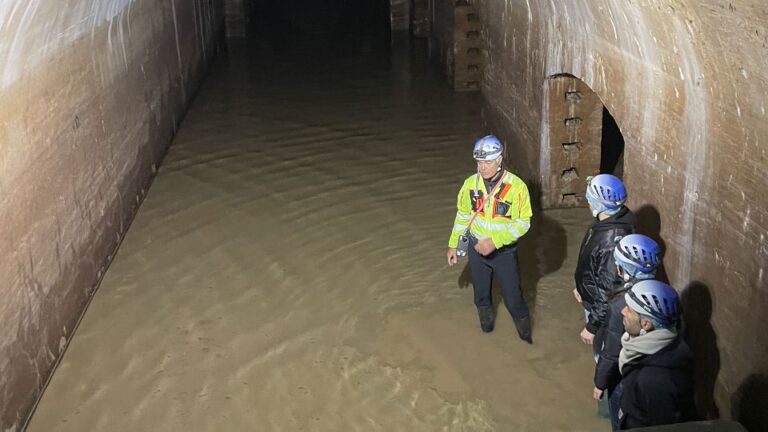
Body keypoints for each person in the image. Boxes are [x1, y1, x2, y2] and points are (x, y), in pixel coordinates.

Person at [446, 135, 533, 343]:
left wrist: (495, 241)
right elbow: (463, 217)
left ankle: (526, 338)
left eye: (487, 162)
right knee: (481, 296)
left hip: (504, 253)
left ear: (500, 160)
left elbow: (523, 223)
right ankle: (487, 333)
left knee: (514, 300)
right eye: (478, 162)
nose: (482, 167)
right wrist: (454, 244)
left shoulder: (517, 187)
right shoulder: (470, 185)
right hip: (476, 250)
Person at [593, 234, 662, 430]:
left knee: (620, 420)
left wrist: (600, 383)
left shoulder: (623, 306)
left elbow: (612, 352)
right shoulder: (659, 293)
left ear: (624, 268)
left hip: (624, 376)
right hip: (648, 376)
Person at [616, 280, 696, 429]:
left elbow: (664, 427)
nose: (623, 311)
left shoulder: (654, 382)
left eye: (630, 310)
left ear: (646, 324)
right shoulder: (671, 340)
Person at [573, 174, 635, 350]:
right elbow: (594, 266)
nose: (588, 201)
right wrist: (581, 288)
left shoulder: (612, 241)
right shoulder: (606, 221)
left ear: (600, 204)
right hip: (591, 299)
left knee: (603, 354)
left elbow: (608, 289)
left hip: (600, 312)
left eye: (590, 198)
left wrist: (592, 327)